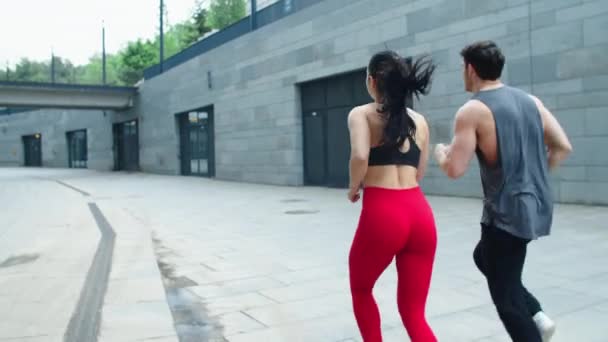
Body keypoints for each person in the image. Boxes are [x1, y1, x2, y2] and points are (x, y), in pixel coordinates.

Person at [433, 40, 572, 342]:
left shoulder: (473, 110)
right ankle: (537, 313)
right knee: (484, 258)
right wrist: (533, 179)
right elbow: (562, 146)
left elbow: (454, 169)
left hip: (503, 215)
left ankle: (534, 323)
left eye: (462, 68)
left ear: (470, 69)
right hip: (531, 208)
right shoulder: (530, 102)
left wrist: (440, 153)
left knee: (507, 302)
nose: (462, 73)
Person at [347, 50, 437, 342]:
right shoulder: (420, 121)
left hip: (385, 213)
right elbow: (420, 171)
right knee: (414, 312)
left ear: (372, 81)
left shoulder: (361, 114)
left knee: (361, 288)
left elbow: (360, 155)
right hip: (420, 214)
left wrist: (353, 186)